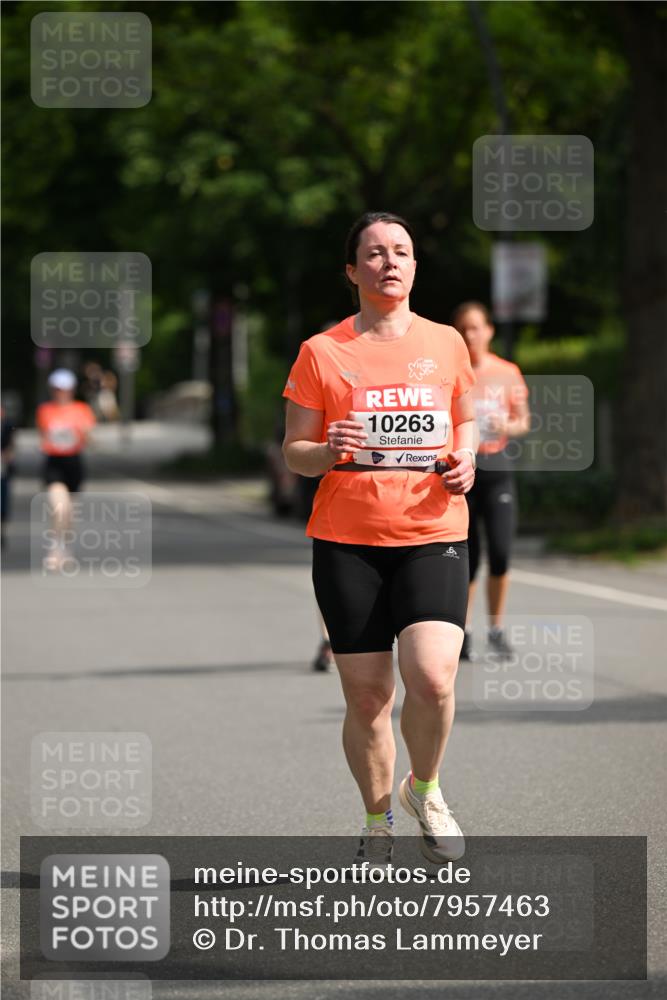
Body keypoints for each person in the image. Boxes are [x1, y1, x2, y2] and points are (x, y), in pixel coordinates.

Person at [282, 212, 476, 864]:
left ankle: (425, 788)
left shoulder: (446, 342)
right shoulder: (323, 351)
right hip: (347, 539)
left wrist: (466, 458)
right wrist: (325, 447)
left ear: (414, 266)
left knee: (433, 677)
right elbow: (294, 454)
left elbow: (465, 420)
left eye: (400, 251)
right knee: (367, 697)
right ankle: (377, 818)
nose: (388, 262)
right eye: (373, 253)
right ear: (351, 271)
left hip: (432, 529)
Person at [452, 302, 530, 661]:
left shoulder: (507, 372)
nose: (470, 335)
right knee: (467, 558)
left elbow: (522, 421)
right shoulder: (451, 371)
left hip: (497, 471)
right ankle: (462, 632)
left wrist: (506, 426)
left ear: (489, 331)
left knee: (500, 553)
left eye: (476, 328)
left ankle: (496, 629)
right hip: (462, 473)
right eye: (464, 329)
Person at [36, 369, 96, 571]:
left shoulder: (82, 409)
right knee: (58, 506)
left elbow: (89, 439)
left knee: (69, 513)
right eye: (57, 389)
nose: (60, 393)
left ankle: (66, 548)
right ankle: (54, 548)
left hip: (74, 463)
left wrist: (85, 434)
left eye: (64, 389)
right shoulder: (45, 410)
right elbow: (43, 436)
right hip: (54, 463)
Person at [1, 405, 15, 549]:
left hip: (2, 470)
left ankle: (2, 532)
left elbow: (11, 446)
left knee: (3, 503)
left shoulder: (7, 425)